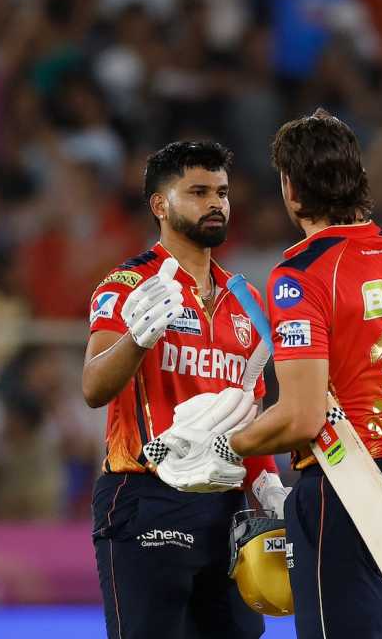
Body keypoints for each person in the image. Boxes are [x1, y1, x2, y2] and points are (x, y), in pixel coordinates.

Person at [157, 110, 382, 637]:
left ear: (291, 190)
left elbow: (302, 416)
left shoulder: (301, 276)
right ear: (357, 179)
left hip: (345, 485)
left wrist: (224, 446)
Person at [81, 141, 285, 639]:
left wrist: (268, 486)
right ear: (160, 204)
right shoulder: (128, 284)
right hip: (147, 493)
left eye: (222, 192)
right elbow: (93, 387)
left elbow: (250, 411)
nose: (216, 203)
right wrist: (137, 339)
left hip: (228, 504)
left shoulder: (246, 298)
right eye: (198, 192)